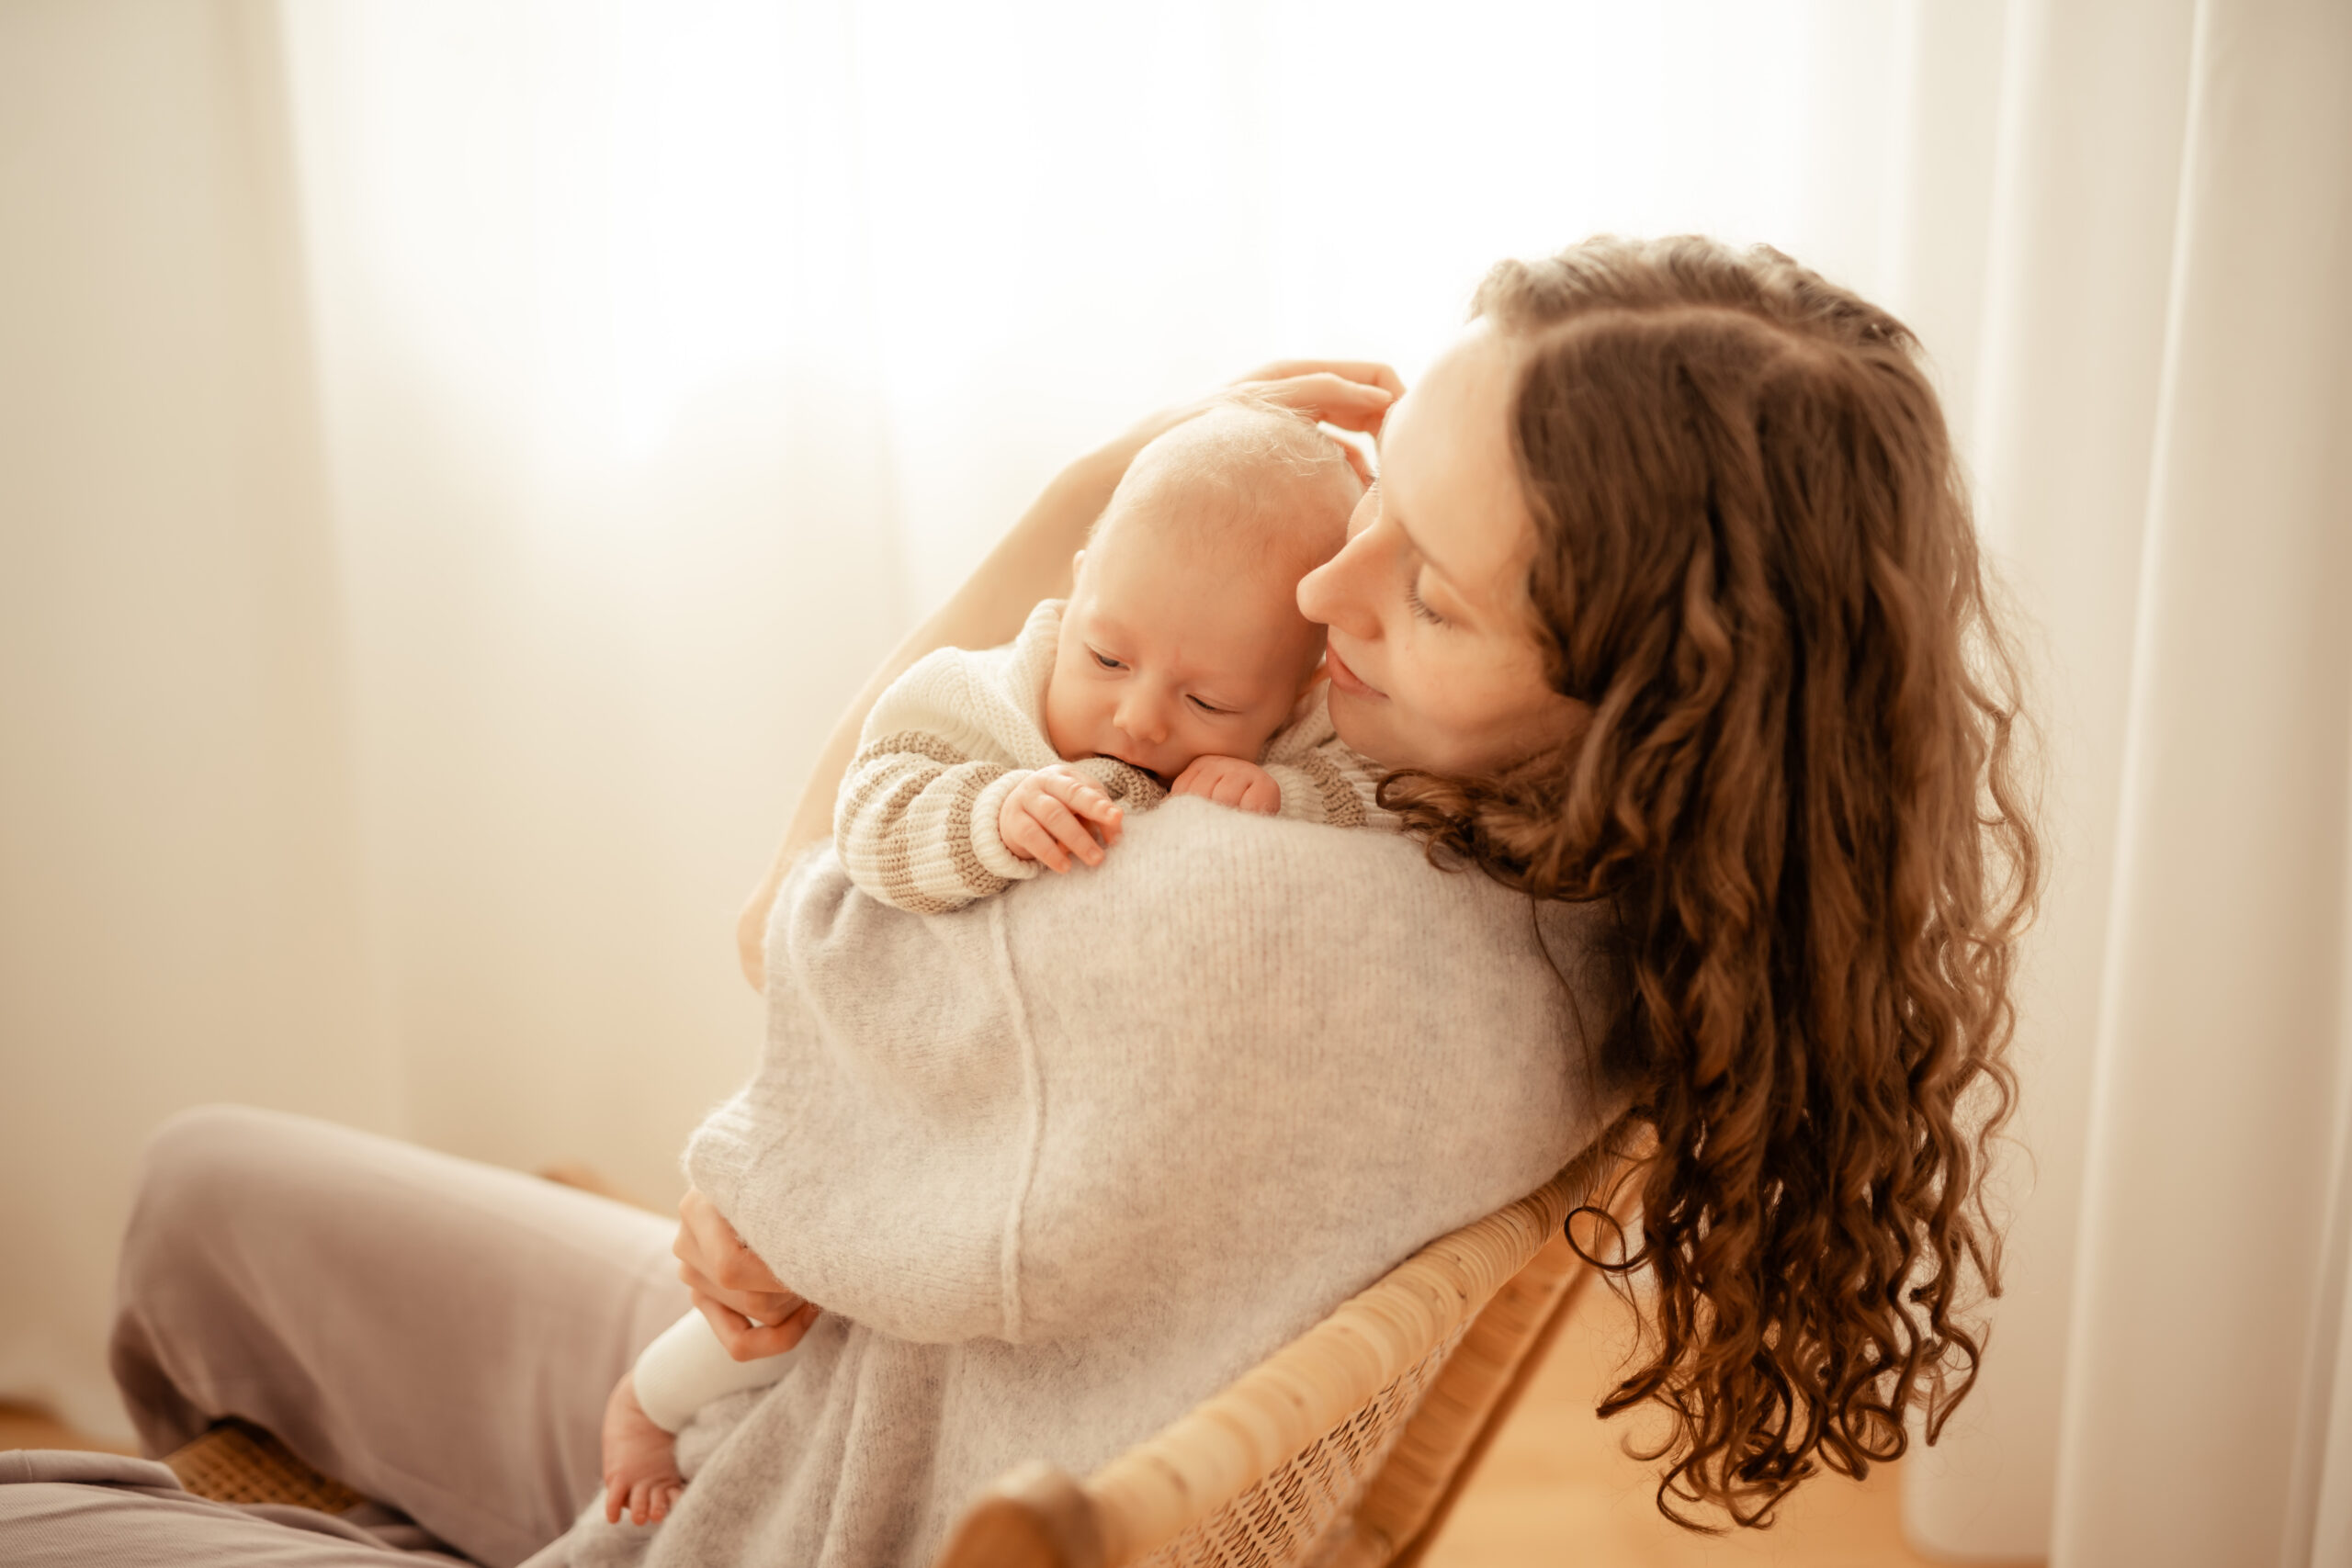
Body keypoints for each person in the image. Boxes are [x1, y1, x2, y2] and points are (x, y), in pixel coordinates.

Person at [0, 234, 2034, 1566]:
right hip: (843, 1374)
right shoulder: (1615, 910)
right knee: (206, 1196)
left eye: (1424, 588)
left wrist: (1085, 517)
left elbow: (790, 915)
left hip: (771, 1501)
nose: (1320, 592)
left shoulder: (1246, 922)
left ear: (1635, 717)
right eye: (1378, 483)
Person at [597, 395, 1389, 1524]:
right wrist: (986, 814)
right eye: (1106, 654)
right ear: (1072, 592)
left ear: (1305, 688)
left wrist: (1278, 795)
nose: (1139, 718)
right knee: (749, 1299)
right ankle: (646, 1399)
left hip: (967, 1173)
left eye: (1212, 699)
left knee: (802, 1296)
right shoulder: (981, 698)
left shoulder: (1309, 751)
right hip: (875, 1100)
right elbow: (870, 822)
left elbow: (1354, 798)